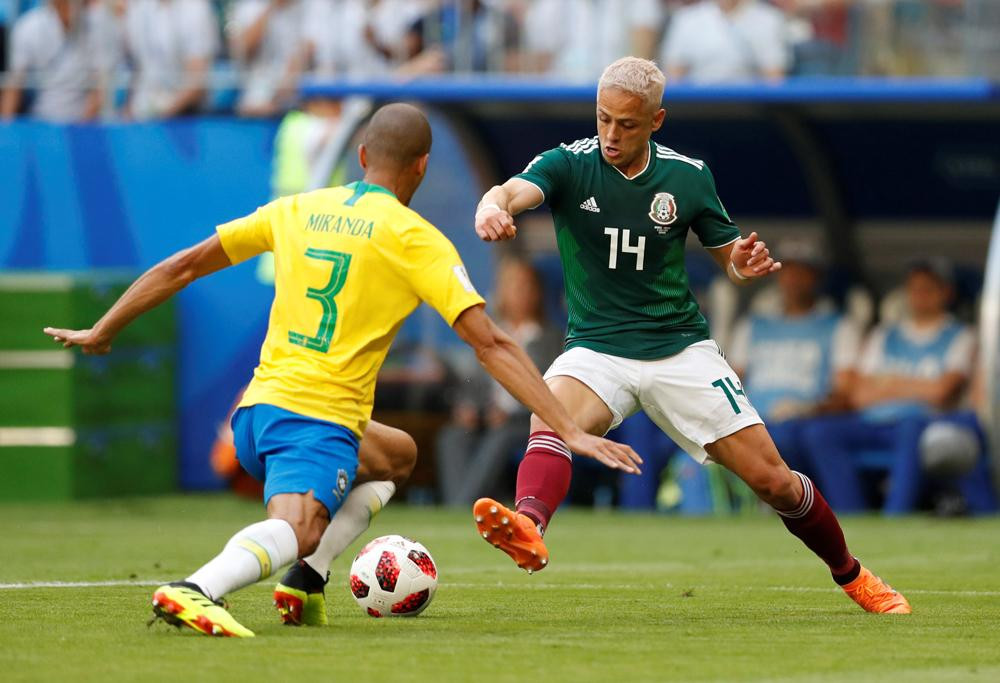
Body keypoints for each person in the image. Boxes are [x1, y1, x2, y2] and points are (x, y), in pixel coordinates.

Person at [44, 103, 640, 637]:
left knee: (398, 454)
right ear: (422, 167)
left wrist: (104, 329)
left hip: (254, 413)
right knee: (298, 527)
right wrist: (569, 426)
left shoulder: (297, 208)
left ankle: (305, 581)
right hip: (316, 423)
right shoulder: (416, 239)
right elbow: (492, 344)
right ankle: (196, 588)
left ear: (360, 156)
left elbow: (183, 266)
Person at [471, 56, 909, 614]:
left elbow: (729, 254)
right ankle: (529, 524)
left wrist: (741, 265)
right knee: (550, 416)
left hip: (680, 351)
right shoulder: (567, 164)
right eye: (603, 118)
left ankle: (852, 575)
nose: (610, 134)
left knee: (773, 482)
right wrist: (491, 206)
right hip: (597, 349)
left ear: (657, 120)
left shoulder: (687, 176)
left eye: (626, 124)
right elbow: (511, 192)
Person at [802, 260, 976, 514]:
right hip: (874, 422)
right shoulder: (884, 335)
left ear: (946, 293)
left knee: (911, 428)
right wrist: (917, 387)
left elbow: (941, 392)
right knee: (820, 432)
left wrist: (888, 383)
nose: (920, 296)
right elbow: (859, 395)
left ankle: (896, 515)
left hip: (923, 423)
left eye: (928, 289)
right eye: (914, 289)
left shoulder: (960, 335)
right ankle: (849, 516)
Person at [727, 238, 862, 476]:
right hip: (751, 420)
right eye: (787, 271)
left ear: (817, 278)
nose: (793, 280)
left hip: (803, 422)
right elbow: (730, 382)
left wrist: (807, 409)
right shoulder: (752, 325)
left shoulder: (839, 326)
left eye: (802, 272)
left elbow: (845, 394)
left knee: (791, 438)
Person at [436, 257, 563, 505]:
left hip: (522, 421)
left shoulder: (551, 338)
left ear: (537, 292)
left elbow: (553, 388)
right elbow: (473, 381)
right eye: (511, 285)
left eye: (525, 286)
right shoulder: (490, 332)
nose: (518, 293)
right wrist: (468, 407)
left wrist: (511, 411)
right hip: (485, 416)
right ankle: (456, 506)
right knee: (451, 436)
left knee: (501, 438)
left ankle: (465, 505)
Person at [1, 0, 118, 121]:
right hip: (42, 120)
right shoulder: (28, 27)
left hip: (85, 124)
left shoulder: (99, 29)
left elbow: (100, 91)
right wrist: (5, 129)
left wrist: (79, 129)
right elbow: (14, 86)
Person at [123, 0, 218, 120]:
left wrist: (160, 115)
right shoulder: (138, 8)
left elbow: (196, 82)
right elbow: (137, 67)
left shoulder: (196, 8)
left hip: (184, 116)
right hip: (142, 110)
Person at [660, 0, 788, 83]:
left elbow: (774, 78)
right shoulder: (686, 19)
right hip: (696, 108)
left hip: (752, 108)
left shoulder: (769, 19)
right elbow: (673, 77)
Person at [227, 0, 307, 117]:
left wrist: (281, 95)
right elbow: (242, 50)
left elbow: (306, 51)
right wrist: (272, 7)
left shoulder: (310, 7)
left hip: (297, 101)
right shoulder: (247, 7)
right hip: (255, 100)